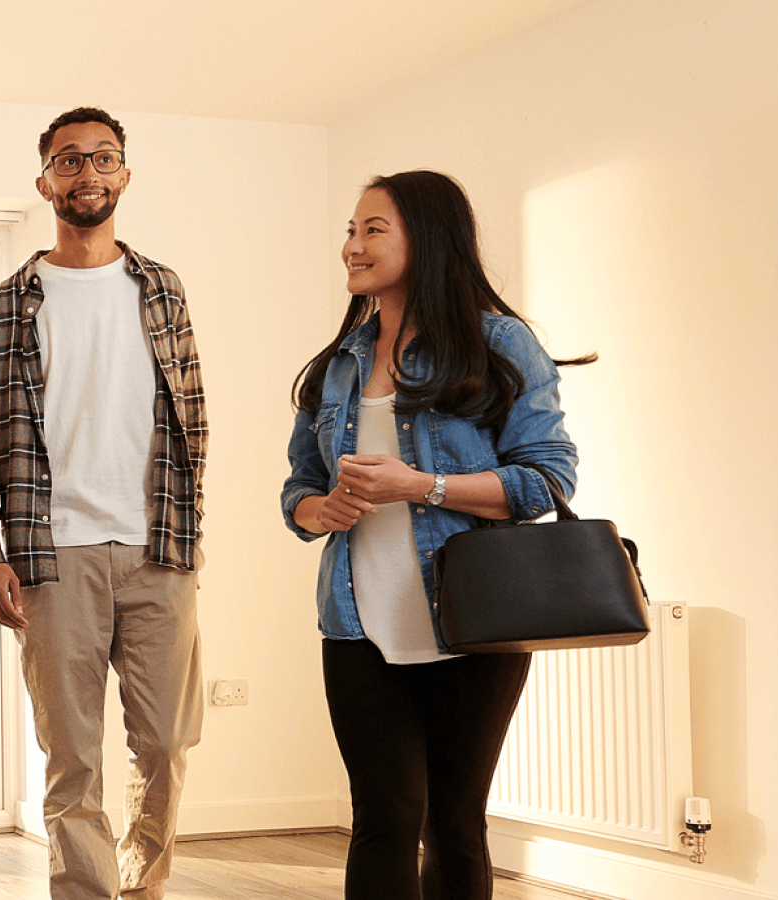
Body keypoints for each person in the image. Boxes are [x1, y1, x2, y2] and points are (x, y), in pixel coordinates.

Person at [280, 170, 591, 899]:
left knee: (455, 823)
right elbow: (298, 484)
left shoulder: (498, 342)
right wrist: (314, 511)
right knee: (383, 818)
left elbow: (547, 480)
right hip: (358, 626)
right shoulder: (339, 364)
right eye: (349, 233)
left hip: (474, 627)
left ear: (429, 239)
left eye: (372, 230)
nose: (352, 247)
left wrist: (421, 486)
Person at [0, 107, 206, 900]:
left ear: (125, 175)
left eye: (103, 158)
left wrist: (188, 530)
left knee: (165, 744)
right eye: (69, 161)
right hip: (49, 553)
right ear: (45, 182)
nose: (87, 173)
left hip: (157, 551)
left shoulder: (163, 290)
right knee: (72, 758)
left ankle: (143, 883)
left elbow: (192, 416)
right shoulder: (0, 309)